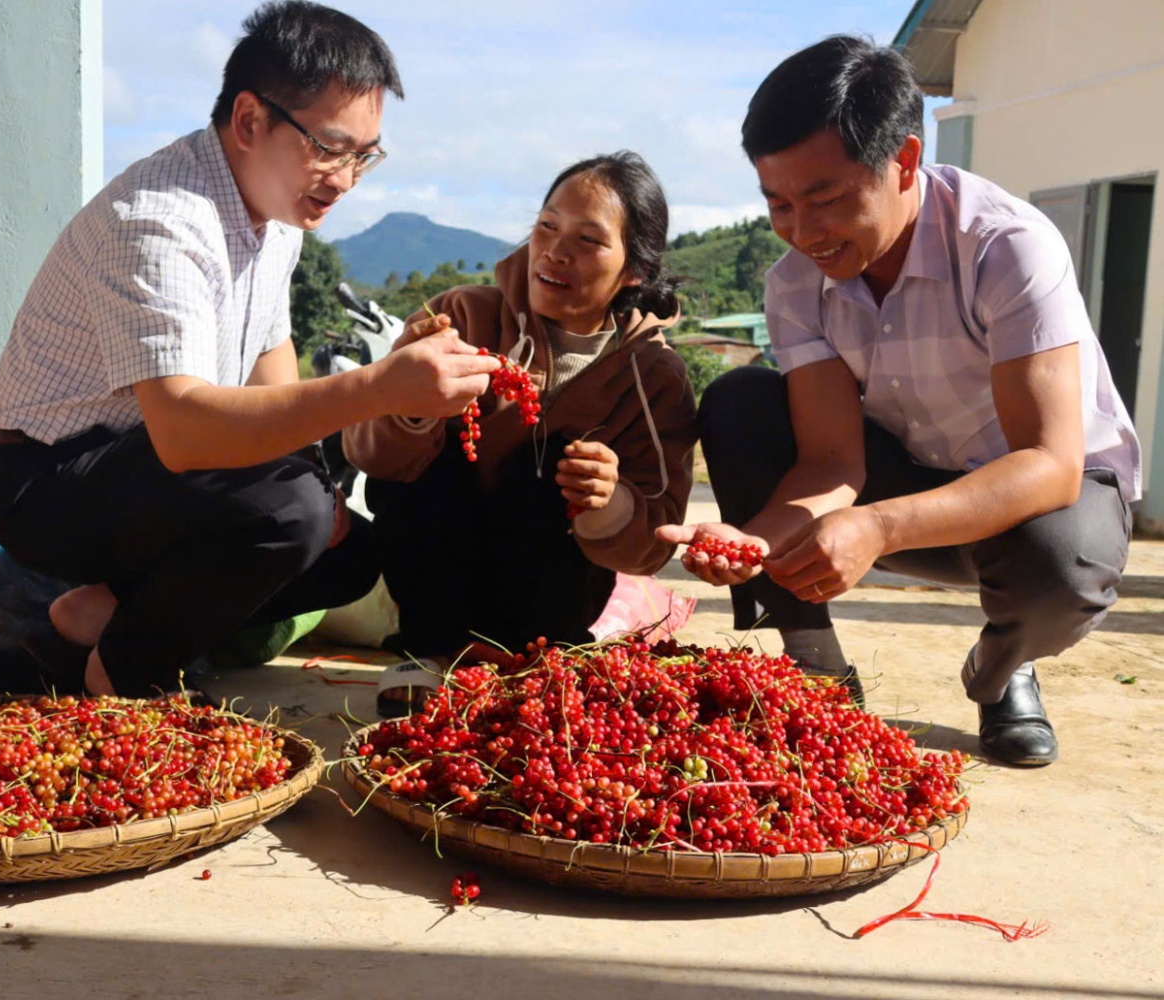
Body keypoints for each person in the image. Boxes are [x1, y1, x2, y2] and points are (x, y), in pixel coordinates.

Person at [0, 1, 500, 699]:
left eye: (362, 157)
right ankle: (128, 667)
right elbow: (185, 430)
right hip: (47, 477)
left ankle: (104, 612)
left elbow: (269, 353)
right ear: (251, 121)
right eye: (329, 148)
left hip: (145, 470)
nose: (343, 179)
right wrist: (379, 389)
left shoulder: (275, 212)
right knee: (292, 513)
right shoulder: (160, 222)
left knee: (346, 549)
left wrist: (317, 477)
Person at [657, 35, 1138, 767]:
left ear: (906, 160)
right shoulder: (797, 283)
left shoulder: (1005, 247)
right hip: (907, 474)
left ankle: (1001, 672)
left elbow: (1049, 463)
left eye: (825, 199)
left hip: (1035, 502)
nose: (802, 231)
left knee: (1063, 560)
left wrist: (877, 528)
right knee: (740, 402)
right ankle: (817, 677)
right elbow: (829, 461)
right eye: (778, 204)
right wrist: (759, 539)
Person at [344, 151, 697, 713]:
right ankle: (429, 653)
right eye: (547, 226)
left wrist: (608, 502)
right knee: (441, 442)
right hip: (436, 577)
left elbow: (654, 535)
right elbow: (371, 457)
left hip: (550, 601)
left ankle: (539, 663)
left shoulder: (654, 377)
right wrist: (406, 400)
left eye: (589, 240)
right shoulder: (460, 316)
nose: (556, 251)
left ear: (635, 271)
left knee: (554, 464)